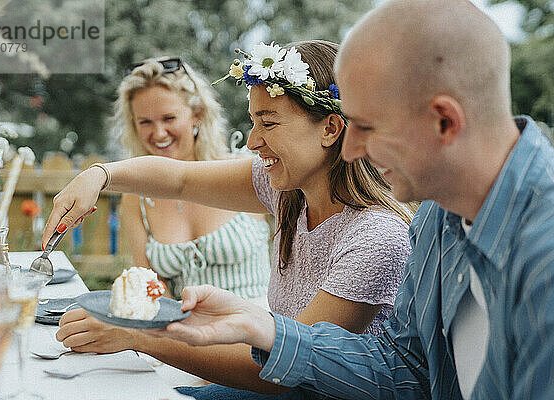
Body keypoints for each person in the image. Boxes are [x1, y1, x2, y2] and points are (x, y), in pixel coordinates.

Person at [136, 1, 554, 399]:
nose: (350, 149)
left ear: (444, 121)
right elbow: (406, 371)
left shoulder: (542, 257)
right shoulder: (435, 218)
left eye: (366, 126)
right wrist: (264, 329)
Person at [44, 40, 416, 397]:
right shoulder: (287, 192)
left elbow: (283, 370)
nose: (253, 141)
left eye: (268, 124)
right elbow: (181, 178)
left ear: (331, 129)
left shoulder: (376, 238)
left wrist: (137, 336)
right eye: (253, 123)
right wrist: (98, 175)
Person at [114, 58, 271, 304]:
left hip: (258, 331)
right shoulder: (136, 195)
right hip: (185, 333)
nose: (158, 133)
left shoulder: (246, 169)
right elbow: (150, 283)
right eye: (145, 122)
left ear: (196, 114)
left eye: (168, 118)